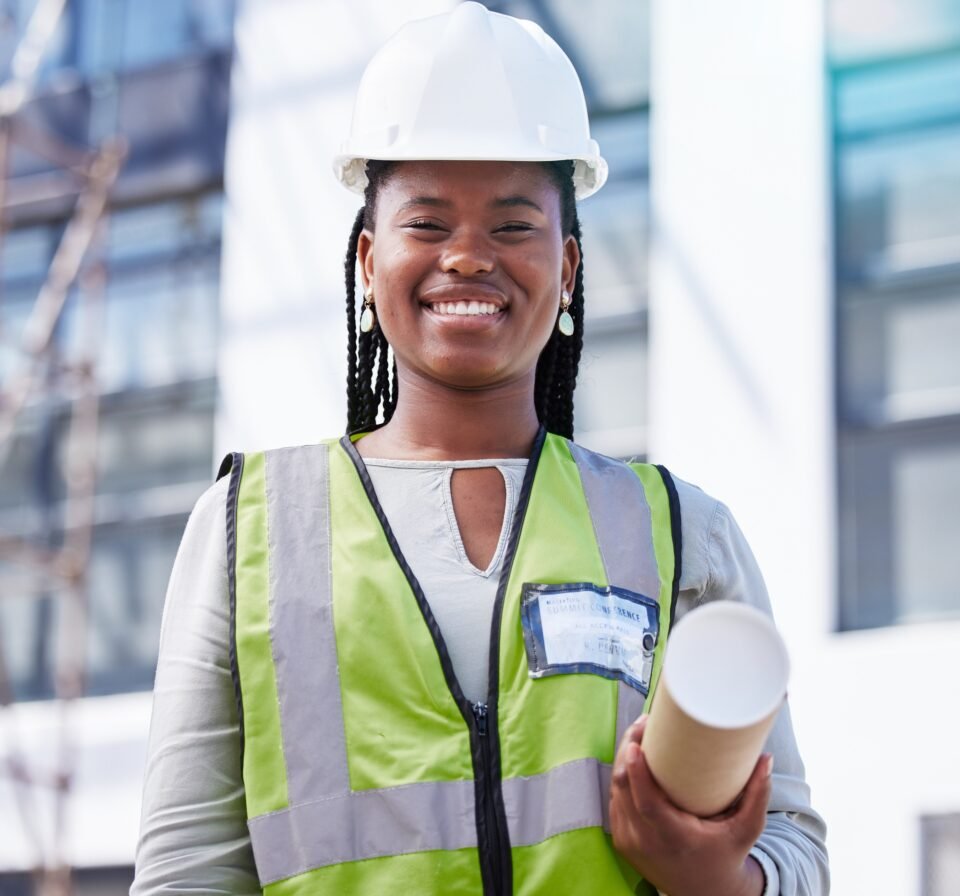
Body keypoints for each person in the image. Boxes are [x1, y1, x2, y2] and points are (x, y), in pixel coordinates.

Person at [131, 4, 829, 895]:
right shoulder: (249, 531)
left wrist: (711, 876)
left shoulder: (681, 534)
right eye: (427, 224)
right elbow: (188, 871)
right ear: (368, 262)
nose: (467, 257)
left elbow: (795, 850)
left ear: (567, 269)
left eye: (511, 226)